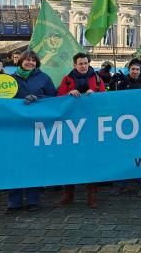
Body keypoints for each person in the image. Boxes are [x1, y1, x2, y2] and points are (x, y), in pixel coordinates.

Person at [6, 51, 56, 213]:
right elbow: (0, 102)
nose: (30, 63)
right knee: (13, 164)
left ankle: (33, 200)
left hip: (36, 127)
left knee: (32, 163)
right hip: (15, 127)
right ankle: (14, 202)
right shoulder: (10, 79)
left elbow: (53, 99)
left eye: (33, 61)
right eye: (27, 60)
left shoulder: (44, 78)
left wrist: (39, 100)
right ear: (20, 61)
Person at [57, 53, 105, 208]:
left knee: (91, 159)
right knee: (69, 159)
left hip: (91, 126)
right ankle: (68, 194)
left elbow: (106, 100)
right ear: (74, 65)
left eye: (86, 63)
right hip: (70, 126)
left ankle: (92, 195)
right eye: (80, 63)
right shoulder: (67, 79)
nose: (83, 66)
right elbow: (58, 99)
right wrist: (68, 94)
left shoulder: (97, 79)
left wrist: (95, 96)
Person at [112, 58, 141, 196]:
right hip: (124, 123)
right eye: (133, 69)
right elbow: (114, 97)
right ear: (129, 69)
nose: (135, 71)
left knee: (140, 154)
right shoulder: (121, 81)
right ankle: (121, 184)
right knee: (123, 153)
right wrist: (114, 84)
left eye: (137, 69)